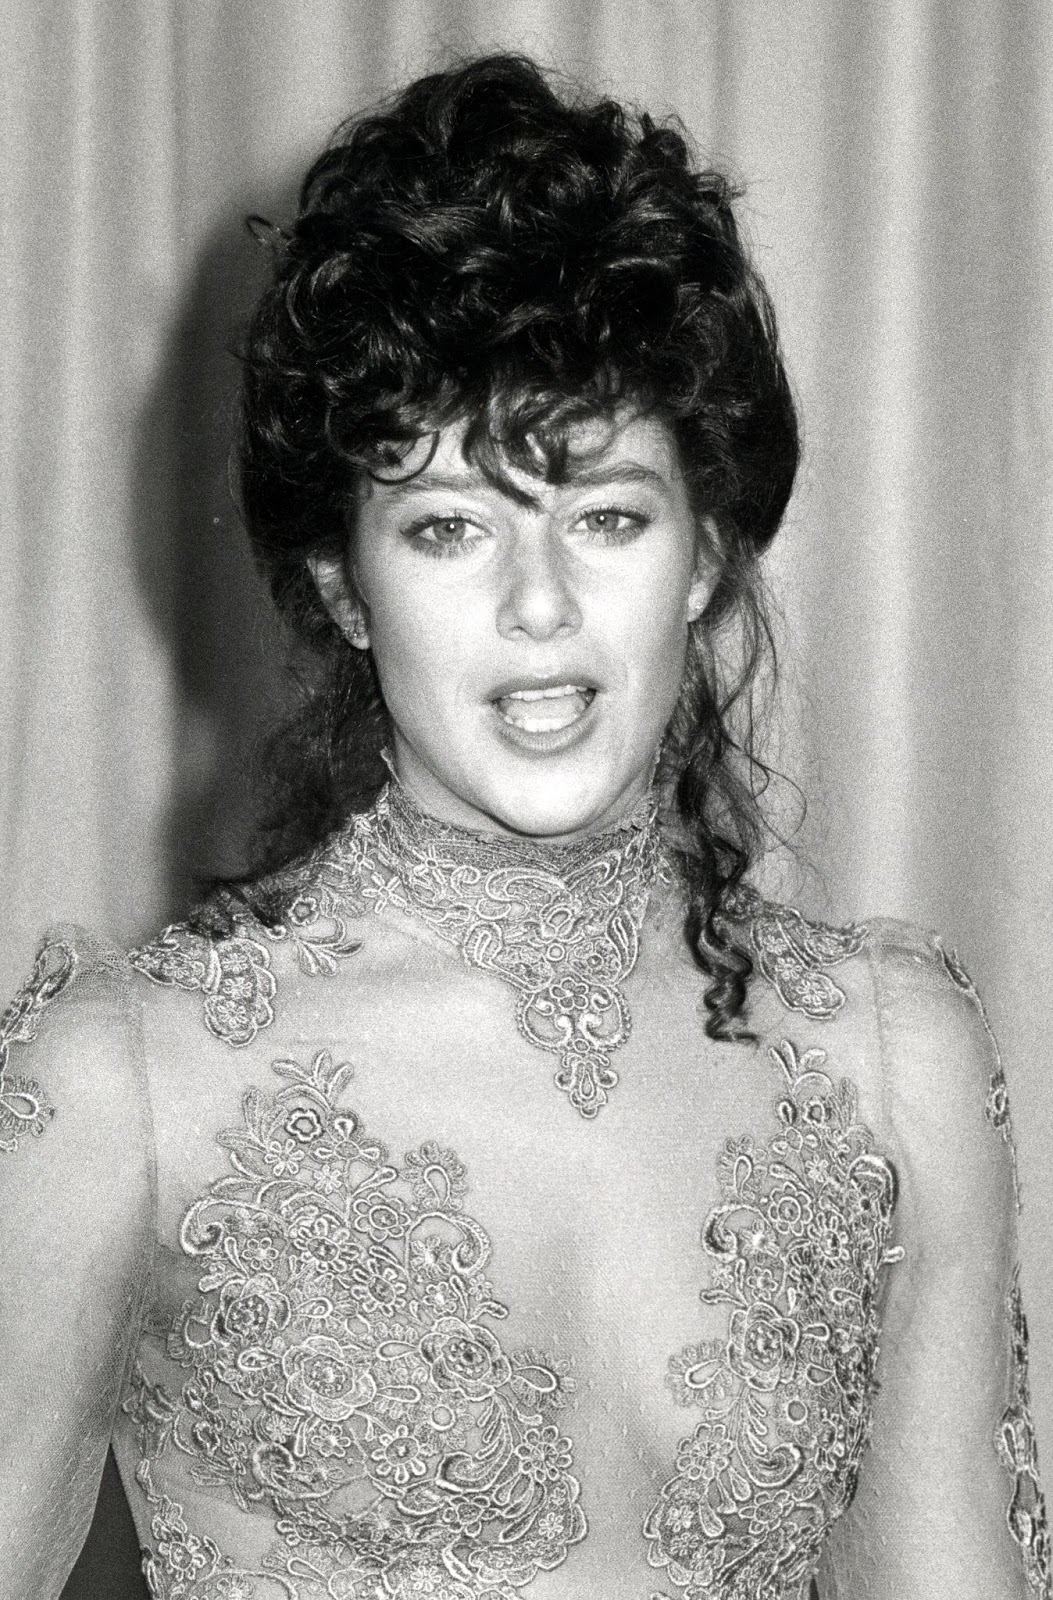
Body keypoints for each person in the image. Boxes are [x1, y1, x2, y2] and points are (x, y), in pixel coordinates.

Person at [0, 52, 1047, 1600]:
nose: (539, 605)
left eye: (606, 515)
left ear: (704, 556)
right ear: (345, 589)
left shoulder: (892, 1057)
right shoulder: (127, 1076)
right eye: (446, 527)